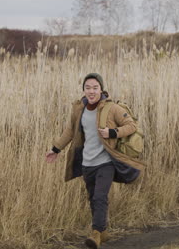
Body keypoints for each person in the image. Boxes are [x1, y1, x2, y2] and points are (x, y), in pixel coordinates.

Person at [46, 73, 145, 249]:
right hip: (87, 163)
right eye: (88, 87)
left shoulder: (111, 108)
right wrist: (55, 149)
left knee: (100, 196)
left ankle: (96, 234)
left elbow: (131, 126)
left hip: (106, 162)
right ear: (83, 90)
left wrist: (113, 133)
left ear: (101, 89)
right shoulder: (79, 109)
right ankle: (104, 232)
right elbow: (70, 131)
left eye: (95, 87)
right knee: (92, 198)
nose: (91, 91)